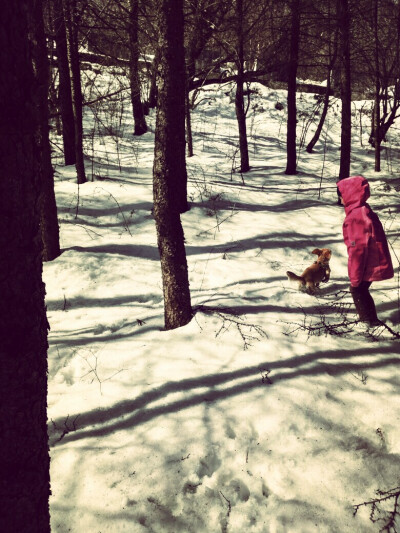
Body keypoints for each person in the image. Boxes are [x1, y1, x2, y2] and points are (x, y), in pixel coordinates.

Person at [337, 175, 394, 326]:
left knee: (357, 289)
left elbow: (358, 250)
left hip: (369, 263)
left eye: (341, 195)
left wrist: (355, 277)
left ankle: (369, 323)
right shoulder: (362, 210)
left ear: (350, 195)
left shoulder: (356, 217)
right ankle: (370, 321)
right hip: (372, 261)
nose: (340, 198)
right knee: (361, 289)